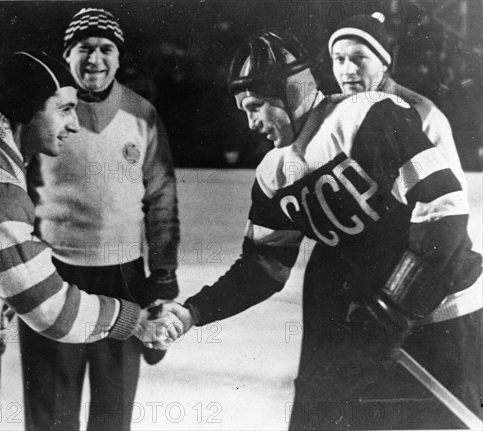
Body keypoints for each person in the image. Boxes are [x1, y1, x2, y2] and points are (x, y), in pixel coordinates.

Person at [158, 30, 482, 430]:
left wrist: (391, 309)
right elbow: (262, 268)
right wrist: (194, 311)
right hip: (372, 324)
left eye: (255, 106)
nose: (251, 123)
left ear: (290, 92)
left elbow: (443, 210)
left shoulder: (368, 114)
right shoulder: (273, 174)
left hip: (439, 313)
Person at [0, 51, 181, 431]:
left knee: (2, 266)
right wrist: (134, 320)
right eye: (65, 110)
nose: (74, 125)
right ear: (28, 109)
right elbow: (51, 313)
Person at [18, 8, 180, 431]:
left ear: (118, 56)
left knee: (113, 413)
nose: (95, 60)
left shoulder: (141, 114)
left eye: (106, 49)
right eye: (84, 48)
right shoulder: (44, 113)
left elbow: (161, 197)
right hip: (53, 276)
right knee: (50, 413)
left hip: (124, 277)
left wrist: (162, 275)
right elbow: (18, 196)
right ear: (67, 54)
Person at [328, 12, 466, 188]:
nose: (347, 70)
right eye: (339, 59)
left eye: (359, 58)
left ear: (383, 62)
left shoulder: (422, 114)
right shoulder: (330, 112)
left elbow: (452, 199)